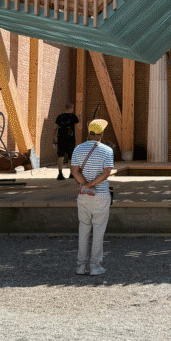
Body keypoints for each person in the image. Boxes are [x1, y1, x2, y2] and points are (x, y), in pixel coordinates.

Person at [72, 119, 114, 276]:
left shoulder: (78, 149)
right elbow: (106, 172)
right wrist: (92, 185)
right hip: (101, 194)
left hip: (83, 195)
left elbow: (75, 171)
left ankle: (81, 266)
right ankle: (95, 266)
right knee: (98, 230)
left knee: (83, 228)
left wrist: (85, 184)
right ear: (101, 133)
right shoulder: (107, 151)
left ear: (89, 132)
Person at [55, 104, 80, 180]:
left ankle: (60, 174)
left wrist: (53, 138)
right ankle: (71, 174)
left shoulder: (59, 117)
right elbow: (80, 126)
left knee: (60, 156)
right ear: (71, 109)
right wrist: (80, 118)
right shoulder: (73, 116)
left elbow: (55, 128)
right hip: (70, 139)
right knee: (70, 157)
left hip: (61, 139)